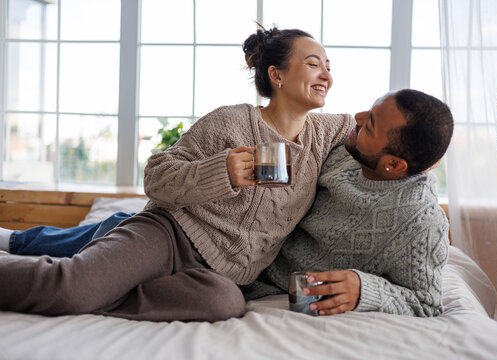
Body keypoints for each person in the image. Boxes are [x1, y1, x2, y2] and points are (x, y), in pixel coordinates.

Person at [0, 27, 354, 322]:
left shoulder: (325, 133)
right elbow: (156, 177)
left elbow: (375, 124)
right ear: (277, 75)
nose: (327, 75)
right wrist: (221, 172)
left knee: (226, 305)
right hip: (169, 234)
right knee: (70, 288)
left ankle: (108, 286)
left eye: (329, 66)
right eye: (313, 64)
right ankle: (92, 283)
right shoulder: (230, 121)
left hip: (218, 275)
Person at [241, 89, 454, 317]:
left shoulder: (423, 223)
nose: (358, 117)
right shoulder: (345, 148)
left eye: (370, 125)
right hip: (246, 255)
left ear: (392, 164)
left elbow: (426, 304)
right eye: (370, 109)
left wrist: (364, 289)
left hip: (271, 288)